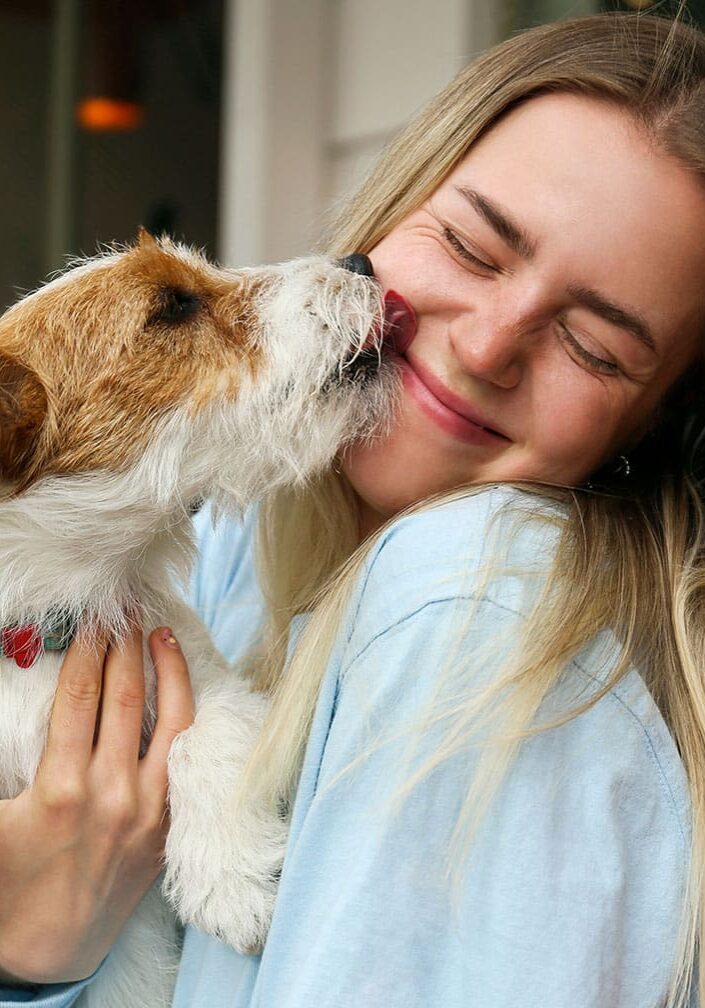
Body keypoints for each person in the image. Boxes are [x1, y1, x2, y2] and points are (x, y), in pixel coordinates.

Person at [1, 9, 705, 1007]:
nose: (488, 345)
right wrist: (41, 951)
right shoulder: (232, 543)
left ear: (653, 429)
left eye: (596, 346)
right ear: (395, 208)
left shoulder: (470, 598)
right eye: (471, 246)